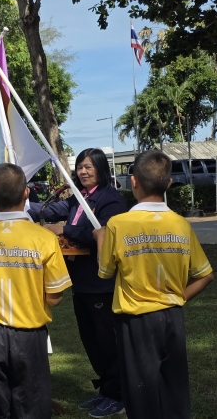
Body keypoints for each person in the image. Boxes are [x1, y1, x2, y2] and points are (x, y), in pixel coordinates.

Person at [95, 150, 215, 419]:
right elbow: (206, 275)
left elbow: (105, 272)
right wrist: (177, 299)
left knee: (140, 395)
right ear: (169, 183)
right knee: (174, 390)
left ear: (133, 181)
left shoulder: (117, 224)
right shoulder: (181, 224)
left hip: (135, 321)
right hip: (172, 317)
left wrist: (100, 237)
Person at [0, 163, 72, 419]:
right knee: (33, 405)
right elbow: (54, 297)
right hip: (29, 334)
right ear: (26, 193)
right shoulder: (44, 238)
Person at [28, 148, 127, 417]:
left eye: (88, 167)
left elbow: (103, 233)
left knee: (107, 340)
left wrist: (65, 229)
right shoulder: (79, 197)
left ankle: (119, 395)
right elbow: (51, 210)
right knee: (91, 340)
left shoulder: (111, 200)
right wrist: (19, 202)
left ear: (101, 169)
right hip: (81, 282)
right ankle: (106, 388)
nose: (82, 172)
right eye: (80, 167)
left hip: (100, 282)